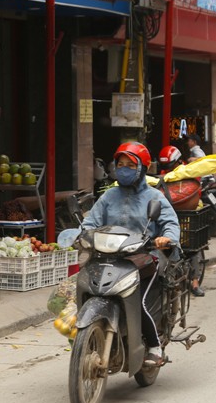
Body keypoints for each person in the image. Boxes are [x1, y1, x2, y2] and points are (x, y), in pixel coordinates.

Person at [82, 142, 181, 367]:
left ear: (142, 168)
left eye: (130, 164)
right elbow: (91, 222)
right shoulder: (108, 197)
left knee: (140, 301)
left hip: (145, 258)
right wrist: (81, 234)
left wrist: (166, 238)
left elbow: (170, 223)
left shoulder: (154, 197)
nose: (124, 169)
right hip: (111, 257)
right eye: (120, 164)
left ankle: (155, 348)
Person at [156, 145, 205, 298]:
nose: (167, 169)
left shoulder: (189, 173)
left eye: (170, 165)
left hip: (185, 215)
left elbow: (195, 190)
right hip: (165, 214)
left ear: (177, 162)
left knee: (192, 247)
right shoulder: (162, 176)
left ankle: (195, 282)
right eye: (165, 166)